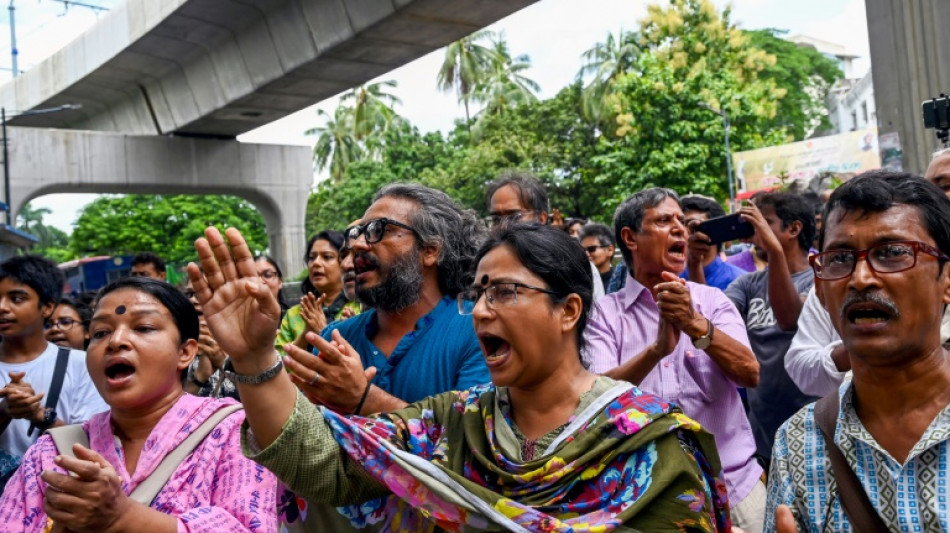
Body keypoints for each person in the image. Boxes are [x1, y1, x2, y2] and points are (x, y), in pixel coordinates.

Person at [188, 223, 733, 532]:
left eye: (505, 291)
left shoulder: (652, 445)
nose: (479, 311)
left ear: (568, 311)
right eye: (478, 293)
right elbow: (328, 465)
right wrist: (257, 359)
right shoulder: (453, 421)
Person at [0, 276, 278, 531]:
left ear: (185, 352)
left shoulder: (235, 433)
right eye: (100, 333)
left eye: (143, 327)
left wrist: (123, 518)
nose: (116, 341)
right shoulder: (50, 453)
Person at [765, 170, 950, 532]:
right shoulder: (798, 444)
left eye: (893, 253)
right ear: (819, 289)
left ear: (947, 281)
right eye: (839, 259)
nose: (861, 278)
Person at [584, 187, 765, 532]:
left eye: (682, 221)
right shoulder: (604, 315)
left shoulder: (713, 302)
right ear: (630, 238)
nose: (681, 229)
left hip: (735, 486)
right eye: (665, 221)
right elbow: (597, 403)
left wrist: (696, 324)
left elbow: (749, 373)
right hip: (646, 497)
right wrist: (657, 352)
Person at [724, 193, 818, 464]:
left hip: (813, 426)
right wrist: (695, 264)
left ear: (794, 228)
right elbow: (712, 319)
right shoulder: (748, 284)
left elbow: (791, 318)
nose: (756, 231)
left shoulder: (822, 277)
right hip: (762, 433)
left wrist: (775, 251)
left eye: (765, 222)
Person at [0, 256, 107, 489]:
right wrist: (5, 412)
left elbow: (92, 446)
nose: (2, 307)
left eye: (16, 298)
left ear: (47, 307)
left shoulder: (82, 364)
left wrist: (39, 415)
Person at [486, 171, 606, 300]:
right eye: (496, 219)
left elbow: (595, 319)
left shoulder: (574, 267)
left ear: (541, 218)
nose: (503, 226)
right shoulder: (486, 269)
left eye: (514, 216)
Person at [276, 230, 349, 354]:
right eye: (311, 258)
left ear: (345, 262)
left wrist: (323, 331)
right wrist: (306, 334)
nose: (316, 263)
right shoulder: (294, 314)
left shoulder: (360, 309)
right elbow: (278, 368)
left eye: (327, 257)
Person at [681, 194, 747, 291]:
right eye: (680, 223)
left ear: (716, 230)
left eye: (693, 225)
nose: (681, 231)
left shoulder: (740, 282)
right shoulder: (671, 276)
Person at [579, 223, 615, 289]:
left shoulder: (621, 281)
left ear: (610, 250)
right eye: (583, 250)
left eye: (591, 249)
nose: (586, 254)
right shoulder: (579, 284)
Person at [254, 254, 289, 319]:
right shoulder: (242, 319)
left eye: (268, 275)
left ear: (280, 282)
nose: (260, 281)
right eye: (254, 277)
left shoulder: (294, 315)